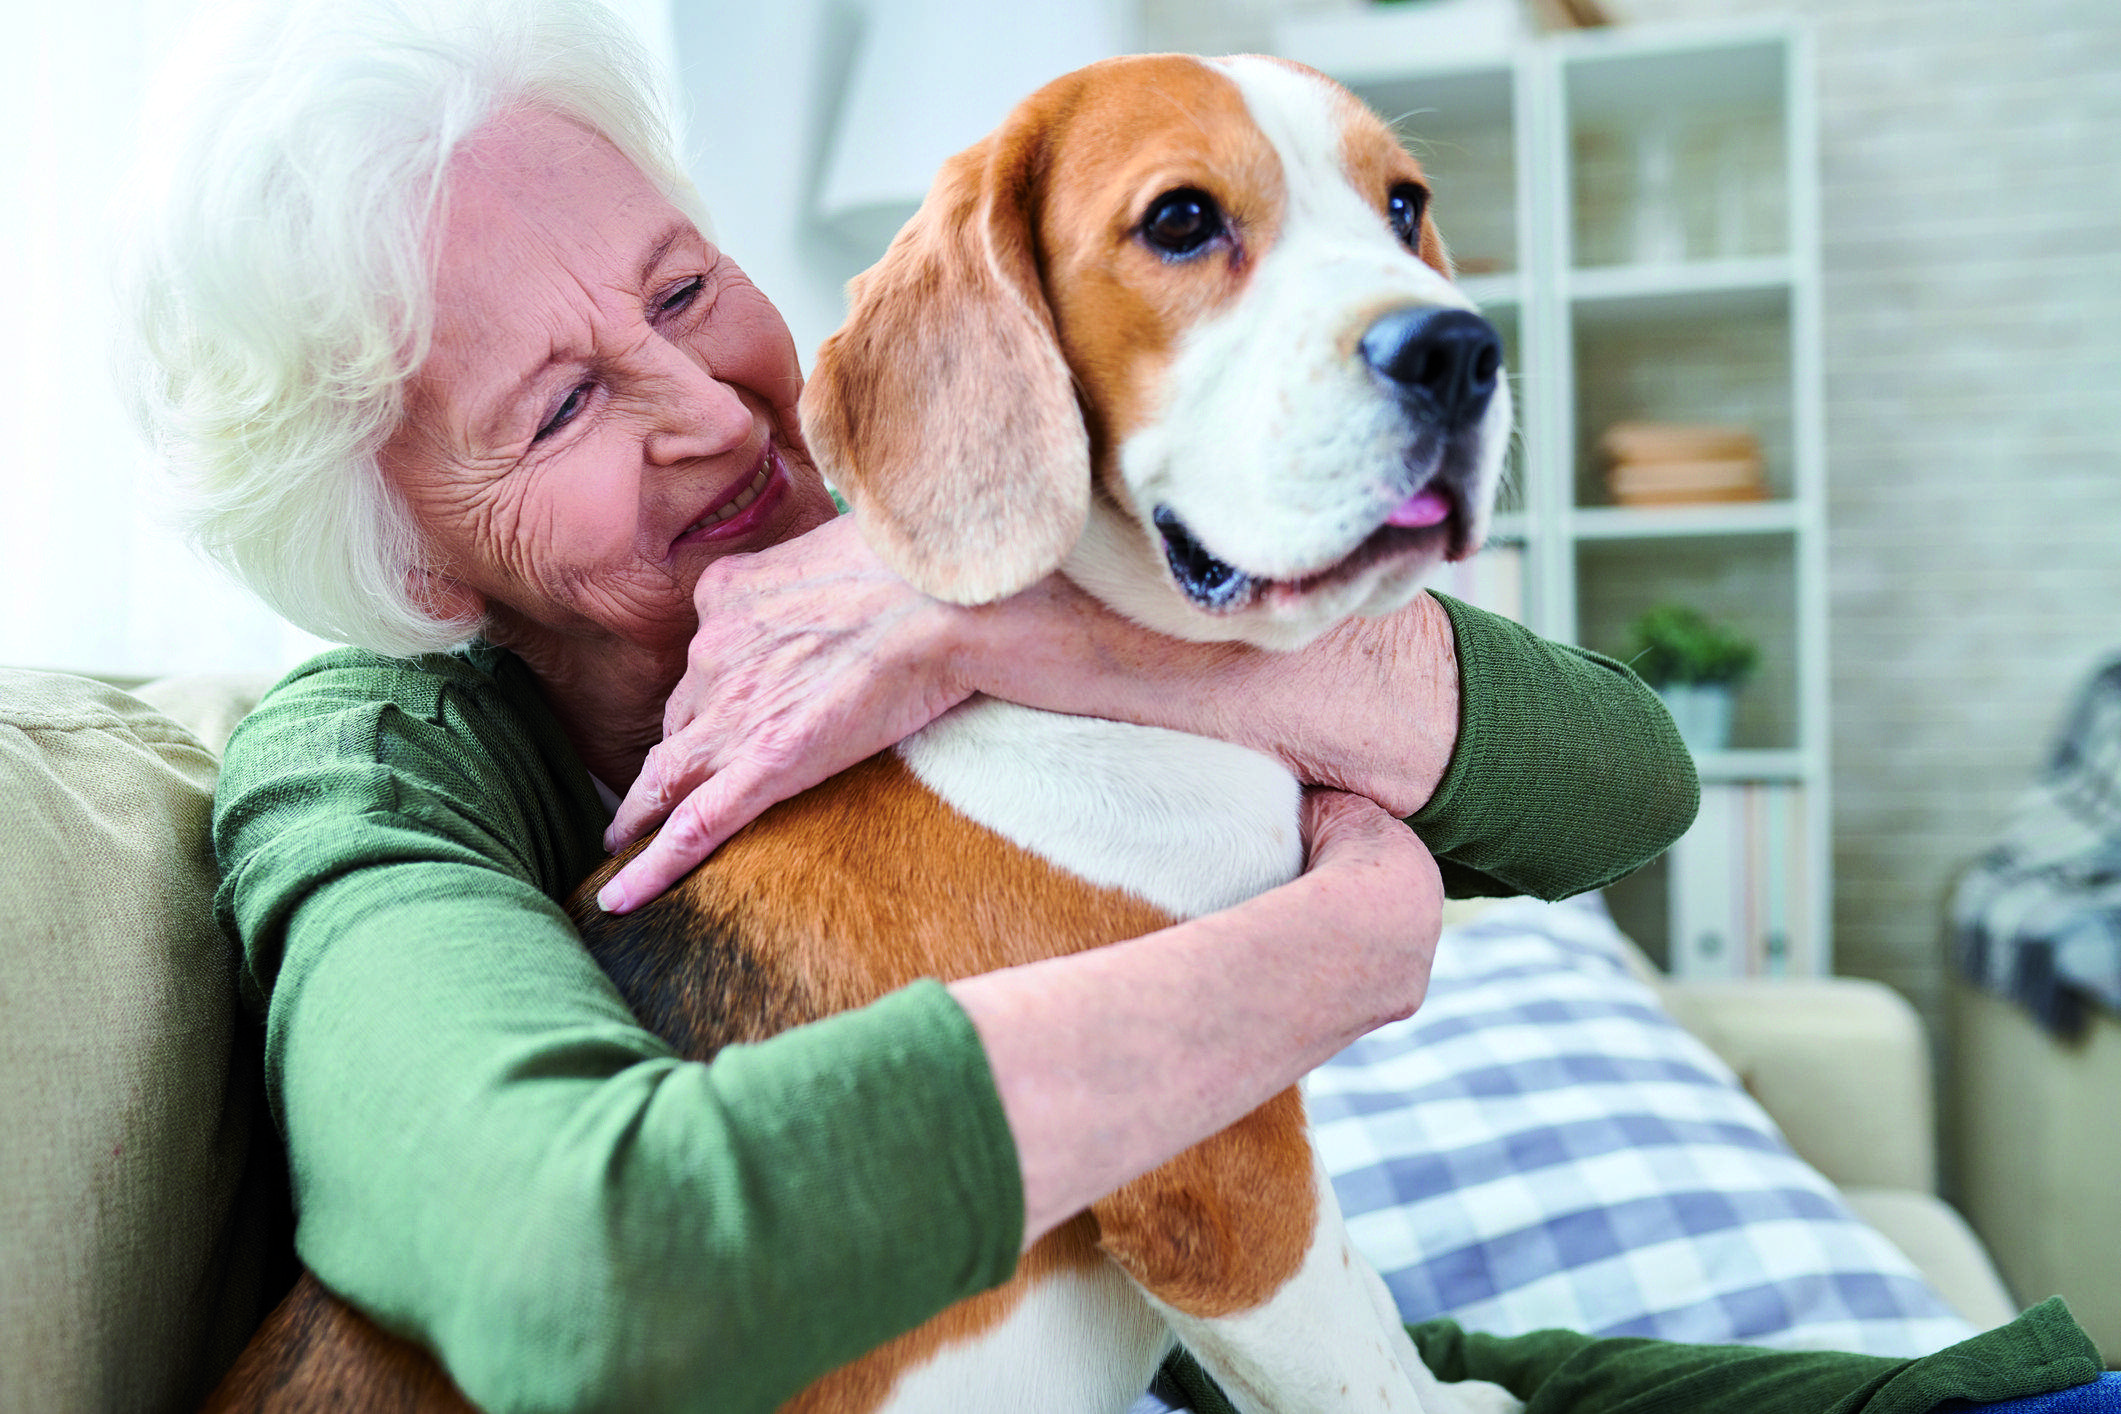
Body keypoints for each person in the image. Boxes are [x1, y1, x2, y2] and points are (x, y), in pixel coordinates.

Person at [120, 1, 2104, 1412]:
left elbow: (1620, 778)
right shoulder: (367, 769)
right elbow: (588, 1270)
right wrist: (1334, 950)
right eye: (555, 403)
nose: (708, 405)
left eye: (679, 285)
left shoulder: (1005, 578)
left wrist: (1000, 630)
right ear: (410, 552)